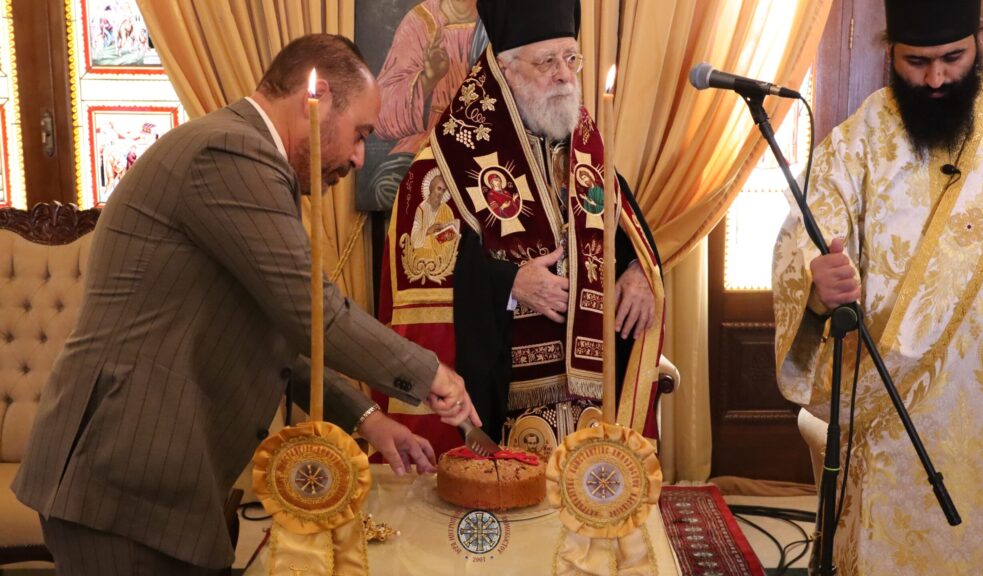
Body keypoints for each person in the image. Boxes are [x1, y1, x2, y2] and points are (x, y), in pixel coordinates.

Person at [12, 34, 480, 575]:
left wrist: (368, 418)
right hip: (123, 478)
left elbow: (274, 336)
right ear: (319, 98)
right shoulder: (230, 152)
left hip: (151, 481)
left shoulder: (246, 157)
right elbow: (315, 313)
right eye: (360, 134)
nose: (358, 157)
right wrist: (433, 374)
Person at [772, 0, 983, 572]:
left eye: (952, 58)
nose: (935, 79)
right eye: (917, 62)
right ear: (891, 52)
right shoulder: (859, 142)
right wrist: (816, 282)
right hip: (891, 421)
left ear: (978, 42)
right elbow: (805, 237)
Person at [376, 0, 665, 457]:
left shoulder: (583, 143)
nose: (564, 75)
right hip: (505, 400)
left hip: (594, 399)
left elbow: (622, 223)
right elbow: (428, 277)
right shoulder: (446, 161)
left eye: (571, 58)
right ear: (505, 70)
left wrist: (637, 271)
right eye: (546, 61)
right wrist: (510, 284)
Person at [368, 0, 487, 210]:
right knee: (389, 186)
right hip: (425, 143)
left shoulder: (498, 19)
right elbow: (381, 114)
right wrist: (428, 78)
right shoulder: (421, 22)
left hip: (484, 137)